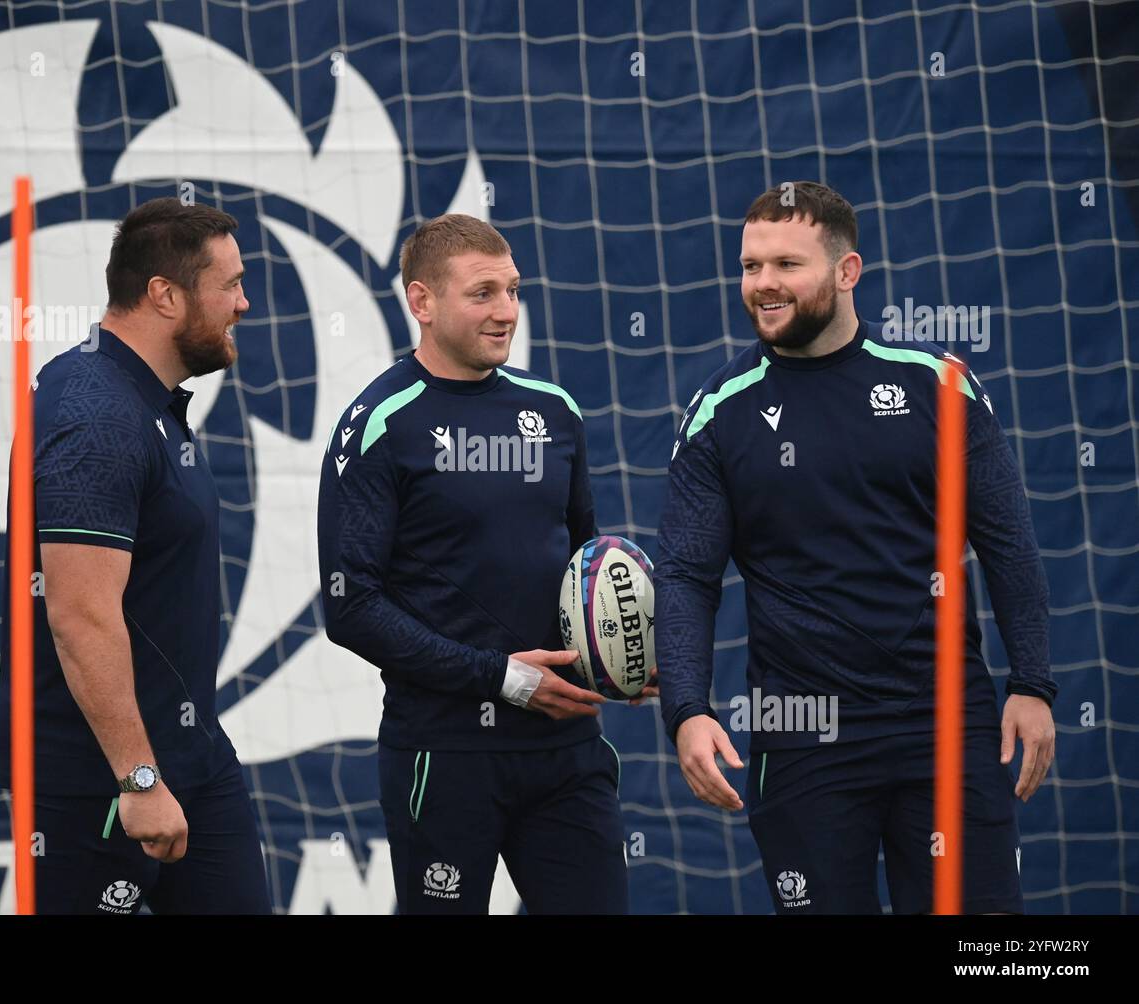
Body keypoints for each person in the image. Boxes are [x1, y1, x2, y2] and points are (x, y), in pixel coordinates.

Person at [655, 181, 1056, 914]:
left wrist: (1031, 682)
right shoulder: (719, 411)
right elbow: (685, 574)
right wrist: (686, 706)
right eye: (750, 267)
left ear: (847, 272)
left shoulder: (942, 386)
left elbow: (1009, 546)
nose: (763, 285)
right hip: (801, 734)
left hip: (946, 723)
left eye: (786, 264)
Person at [318, 213, 650, 914]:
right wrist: (501, 679)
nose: (505, 312)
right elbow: (350, 608)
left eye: (512, 290)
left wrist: (623, 652)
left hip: (566, 750)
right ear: (422, 302)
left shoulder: (553, 410)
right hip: (443, 756)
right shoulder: (379, 423)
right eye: (482, 294)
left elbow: (585, 566)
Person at [0, 197, 271, 915]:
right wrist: (139, 780)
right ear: (164, 295)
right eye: (230, 285)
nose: (245, 303)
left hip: (191, 757)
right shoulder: (96, 416)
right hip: (98, 780)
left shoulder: (140, 395)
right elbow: (81, 617)